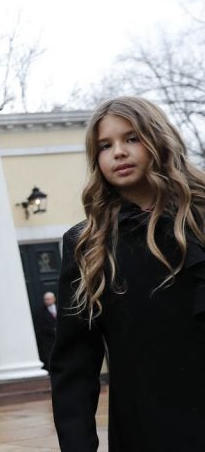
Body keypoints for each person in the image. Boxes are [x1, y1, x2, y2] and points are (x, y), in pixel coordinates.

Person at [50, 96, 205, 451]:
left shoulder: (201, 220)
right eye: (106, 145)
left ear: (159, 139)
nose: (118, 152)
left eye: (131, 138)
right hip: (147, 429)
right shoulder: (86, 245)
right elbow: (74, 365)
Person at [34, 291, 57, 371]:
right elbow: (40, 325)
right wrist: (53, 330)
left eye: (49, 299)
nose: (47, 301)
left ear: (54, 299)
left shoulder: (60, 308)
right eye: (45, 299)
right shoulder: (40, 311)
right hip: (48, 340)